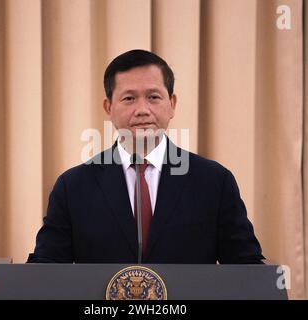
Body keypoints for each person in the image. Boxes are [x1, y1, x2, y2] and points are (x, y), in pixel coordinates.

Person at [27, 49, 264, 264]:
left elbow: (246, 269)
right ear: (108, 107)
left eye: (153, 97)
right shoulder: (73, 186)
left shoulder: (214, 181)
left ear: (171, 104)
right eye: (129, 98)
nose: (142, 110)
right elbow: (47, 271)